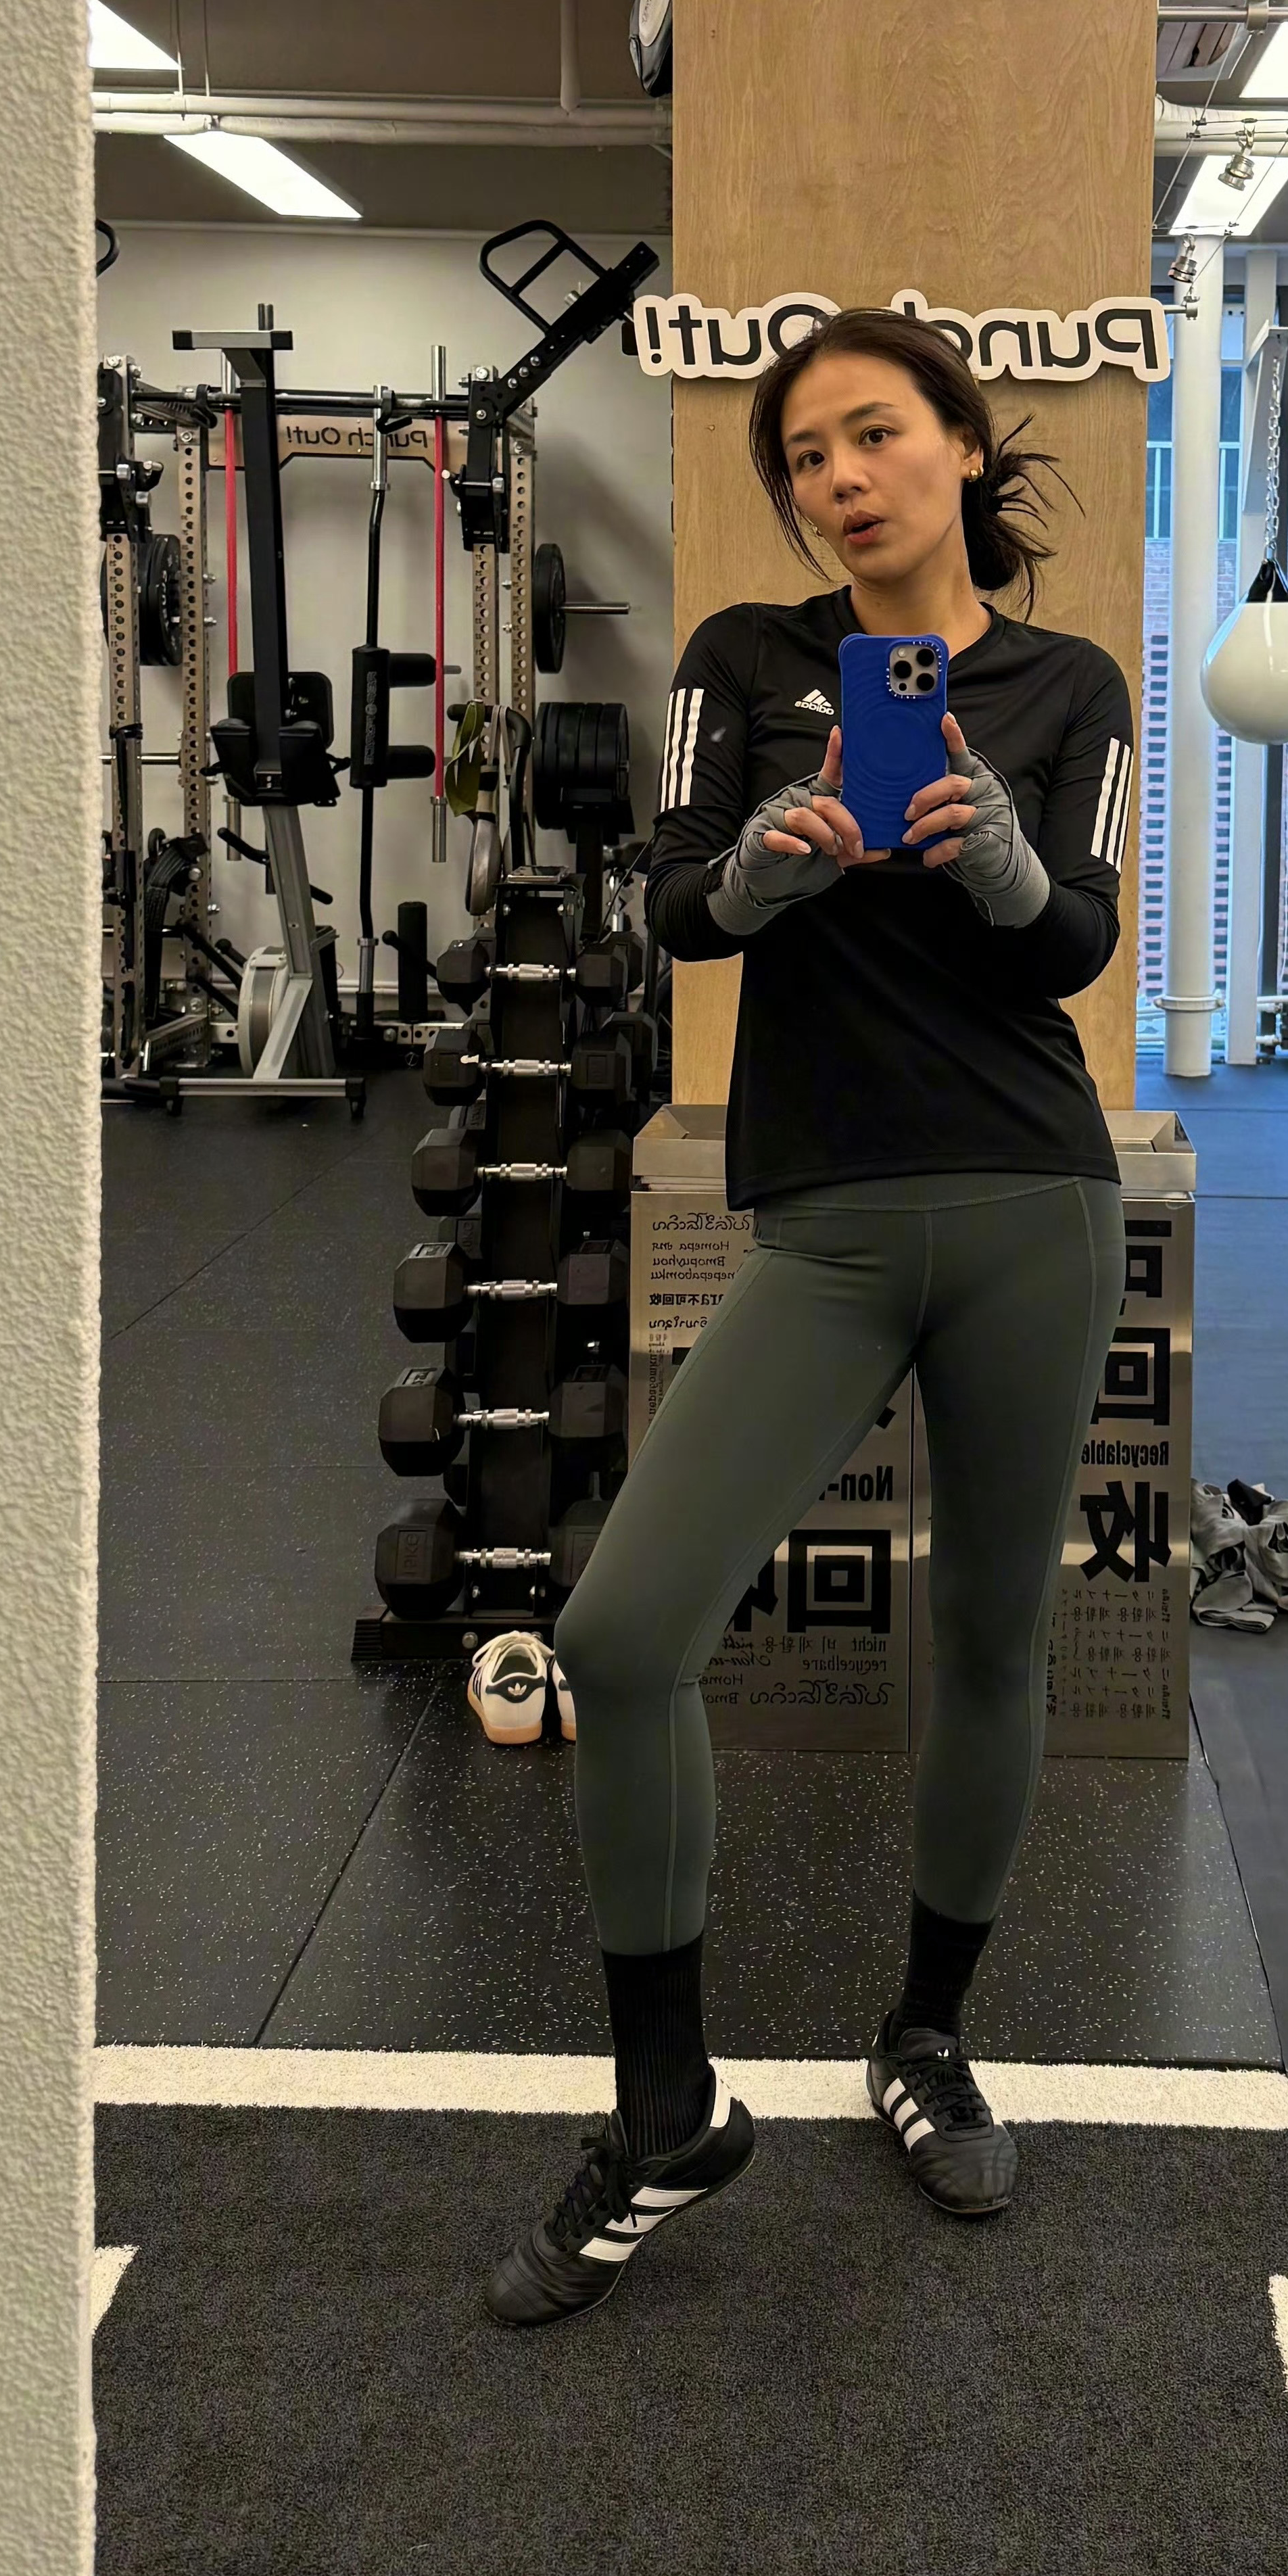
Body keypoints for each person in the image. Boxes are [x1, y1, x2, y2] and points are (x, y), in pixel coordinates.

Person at [486, 306, 1137, 2326]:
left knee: (993, 1640)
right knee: (623, 1636)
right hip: (830, 1223)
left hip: (1032, 1203)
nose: (839, 480)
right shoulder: (742, 662)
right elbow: (672, 898)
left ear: (962, 444)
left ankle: (927, 2036)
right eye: (803, 459)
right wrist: (766, 873)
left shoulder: (1068, 686)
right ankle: (666, 2108)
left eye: (872, 435)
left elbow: (1081, 942)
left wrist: (1004, 866)